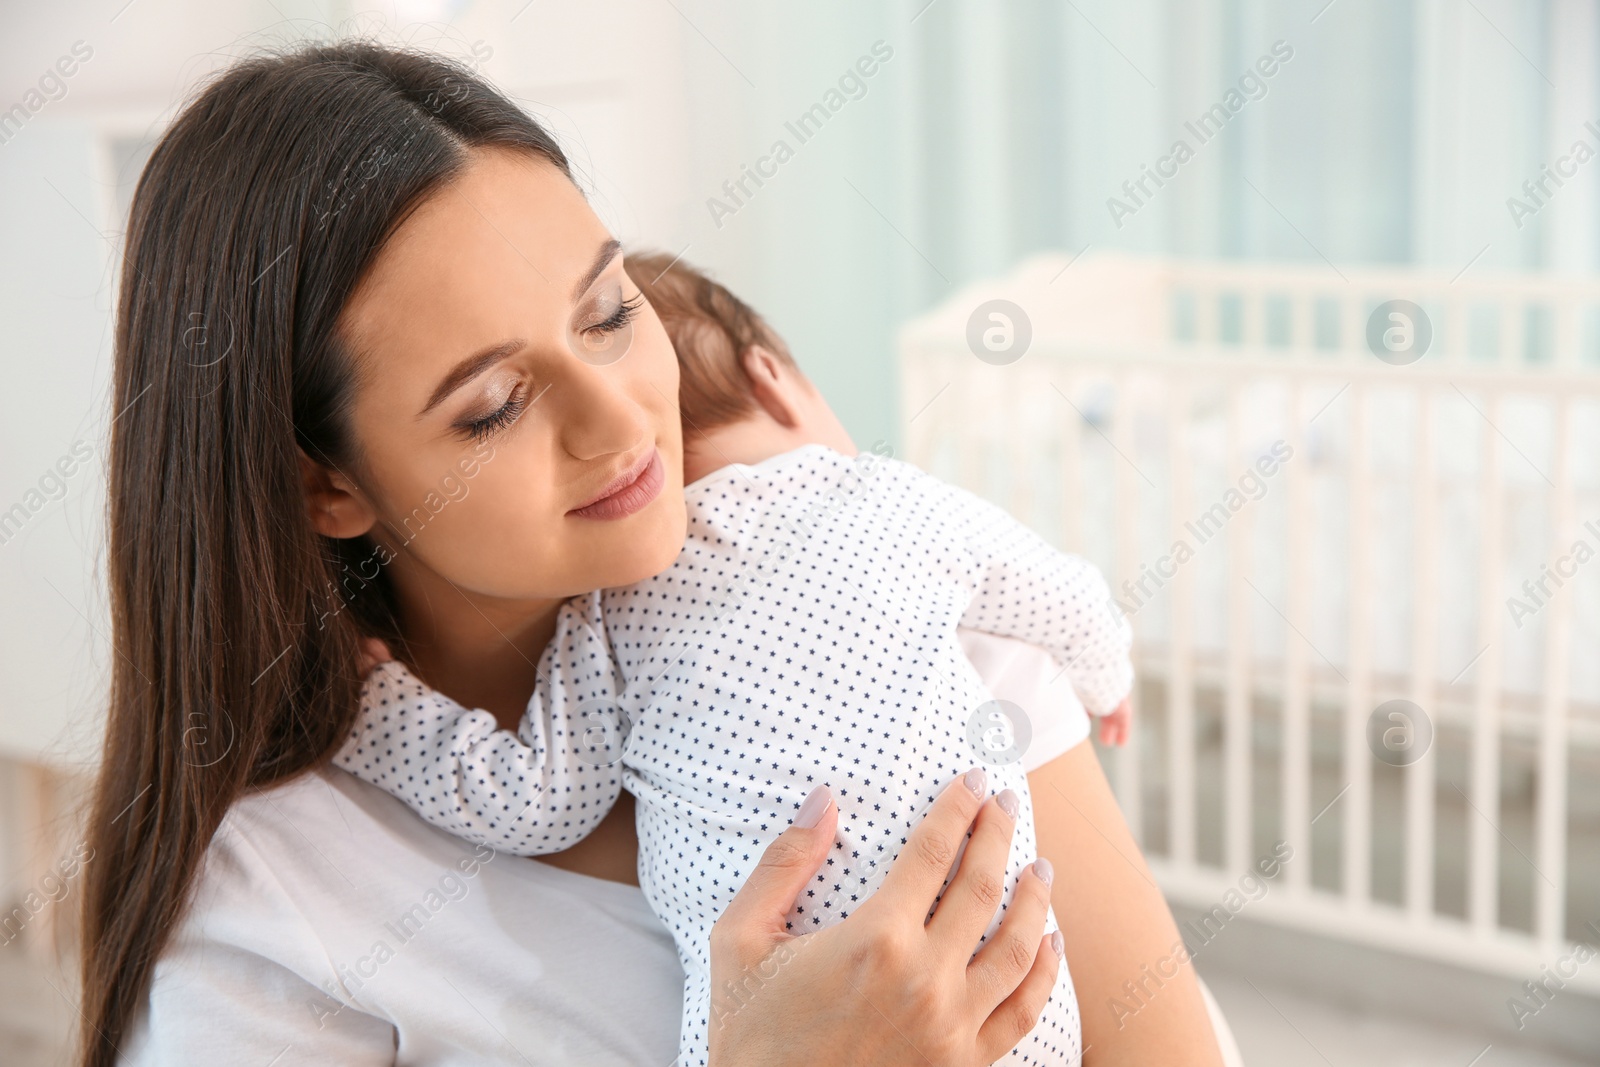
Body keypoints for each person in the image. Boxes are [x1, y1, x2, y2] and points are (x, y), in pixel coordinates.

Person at [76, 41, 1222, 1067]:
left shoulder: (935, 642)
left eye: (609, 315)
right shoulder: (277, 907)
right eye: (494, 404)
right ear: (326, 483)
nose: (622, 423)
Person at [334, 252, 1137, 1064]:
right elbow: (1066, 595)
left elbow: (534, 799)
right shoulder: (894, 499)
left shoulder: (609, 609)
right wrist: (1110, 678)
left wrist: (377, 708)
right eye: (494, 406)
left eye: (609, 317)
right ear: (776, 380)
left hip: (769, 1019)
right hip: (1013, 1001)